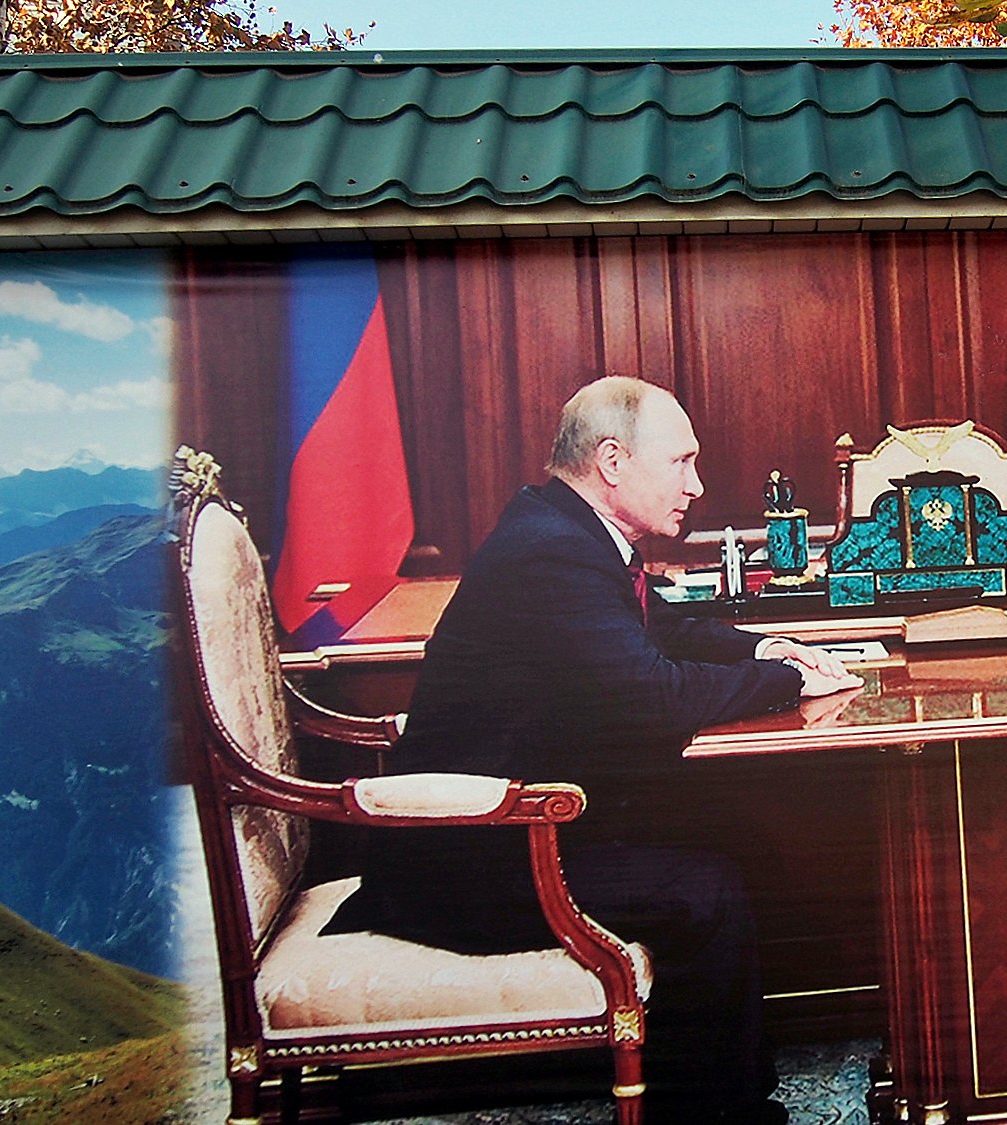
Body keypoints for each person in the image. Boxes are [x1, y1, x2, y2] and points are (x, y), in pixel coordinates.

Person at [328, 375, 861, 1125]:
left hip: (519, 827)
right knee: (704, 889)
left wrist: (770, 644)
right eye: (681, 462)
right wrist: (783, 681)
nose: (697, 484)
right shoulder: (551, 553)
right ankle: (718, 1114)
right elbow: (652, 695)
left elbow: (661, 633)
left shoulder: (565, 533)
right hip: (470, 855)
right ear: (612, 460)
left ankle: (732, 1090)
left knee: (742, 842)